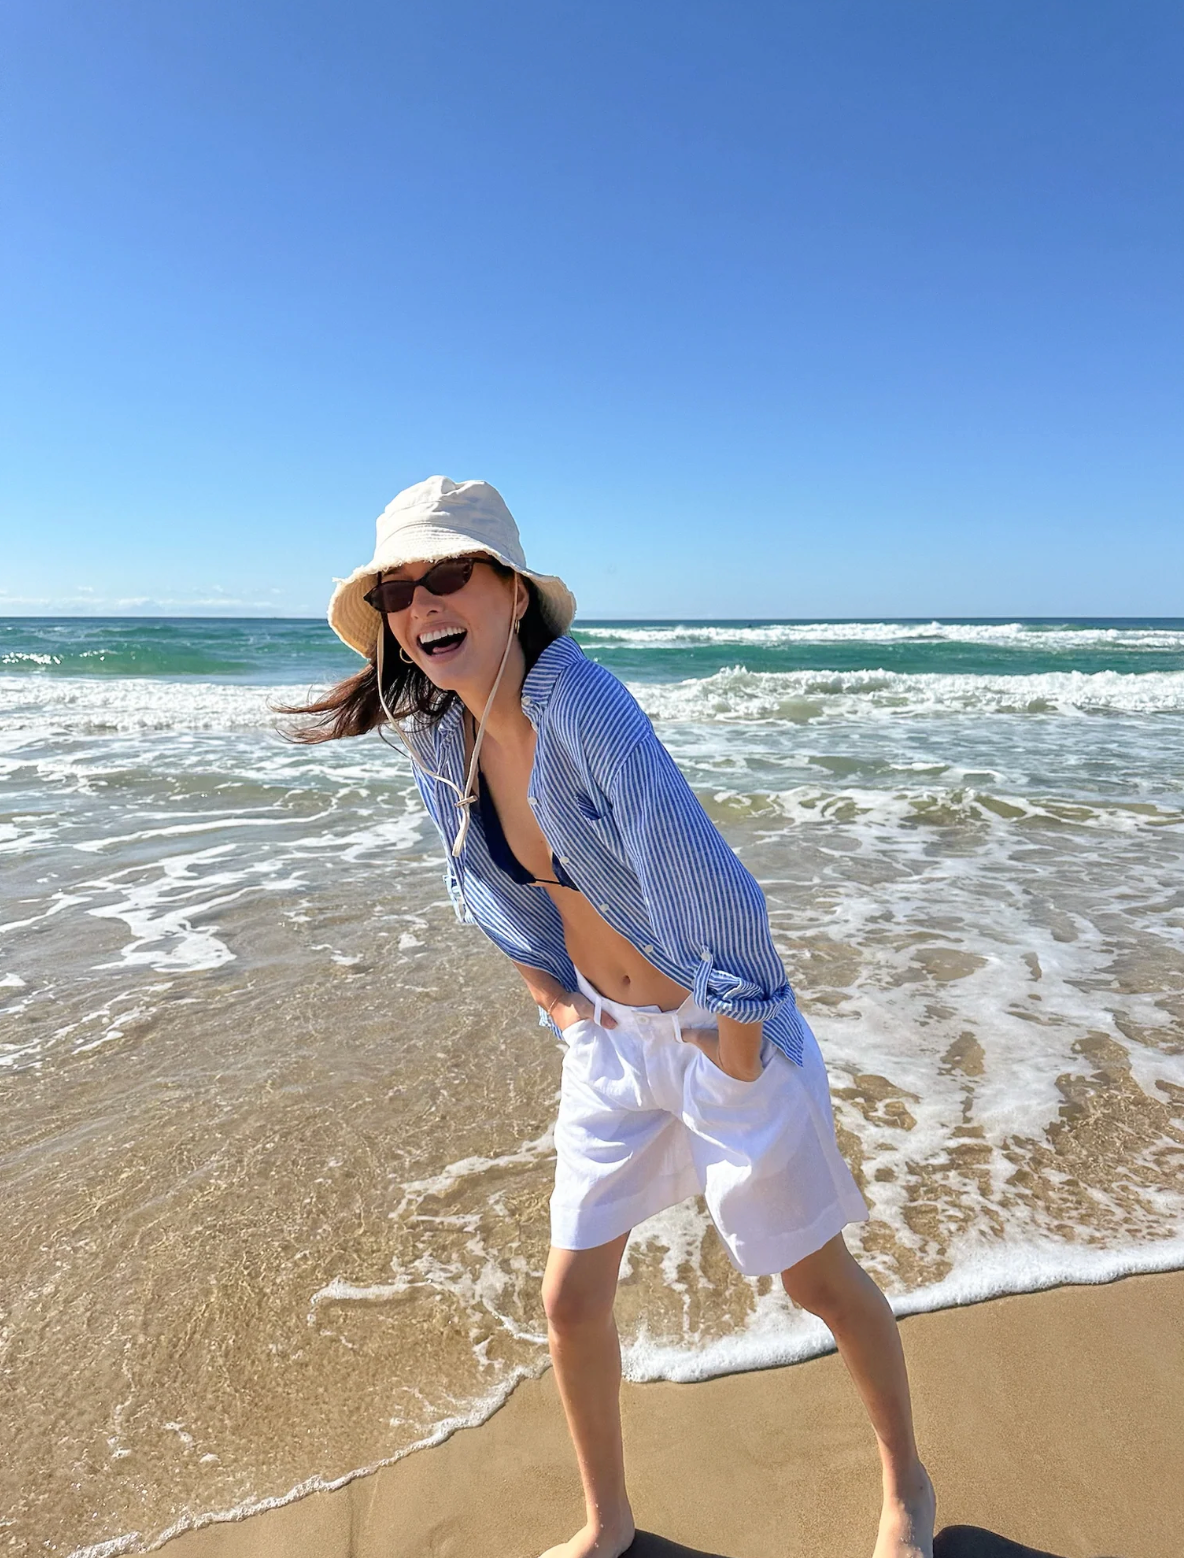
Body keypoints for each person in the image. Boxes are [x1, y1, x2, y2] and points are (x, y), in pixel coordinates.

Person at [287, 475, 936, 1558]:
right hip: (605, 1044)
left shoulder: (581, 704)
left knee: (813, 1278)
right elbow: (481, 881)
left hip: (713, 1035)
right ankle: (607, 1522)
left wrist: (732, 1049)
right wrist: (548, 994)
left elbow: (706, 879)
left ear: (508, 591)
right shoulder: (436, 736)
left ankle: (903, 1486)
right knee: (569, 1298)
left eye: (446, 574)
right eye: (398, 590)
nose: (420, 605)